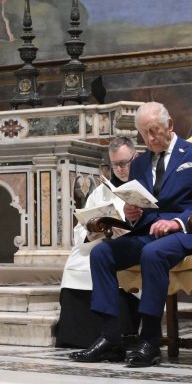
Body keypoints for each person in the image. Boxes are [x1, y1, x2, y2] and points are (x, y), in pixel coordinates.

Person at [70, 101, 192, 367]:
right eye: (144, 133)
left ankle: (150, 339)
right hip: (149, 232)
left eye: (154, 131)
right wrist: (132, 213)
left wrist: (176, 222)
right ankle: (110, 338)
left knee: (153, 253)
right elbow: (144, 206)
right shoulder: (140, 164)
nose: (149, 139)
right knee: (102, 253)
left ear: (170, 125)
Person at [56, 136, 138, 348]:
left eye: (124, 163)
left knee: (103, 258)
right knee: (75, 261)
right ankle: (76, 337)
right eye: (114, 165)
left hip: (125, 246)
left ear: (135, 157)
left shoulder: (142, 188)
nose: (119, 169)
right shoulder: (100, 191)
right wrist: (89, 232)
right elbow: (79, 227)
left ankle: (115, 335)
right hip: (96, 242)